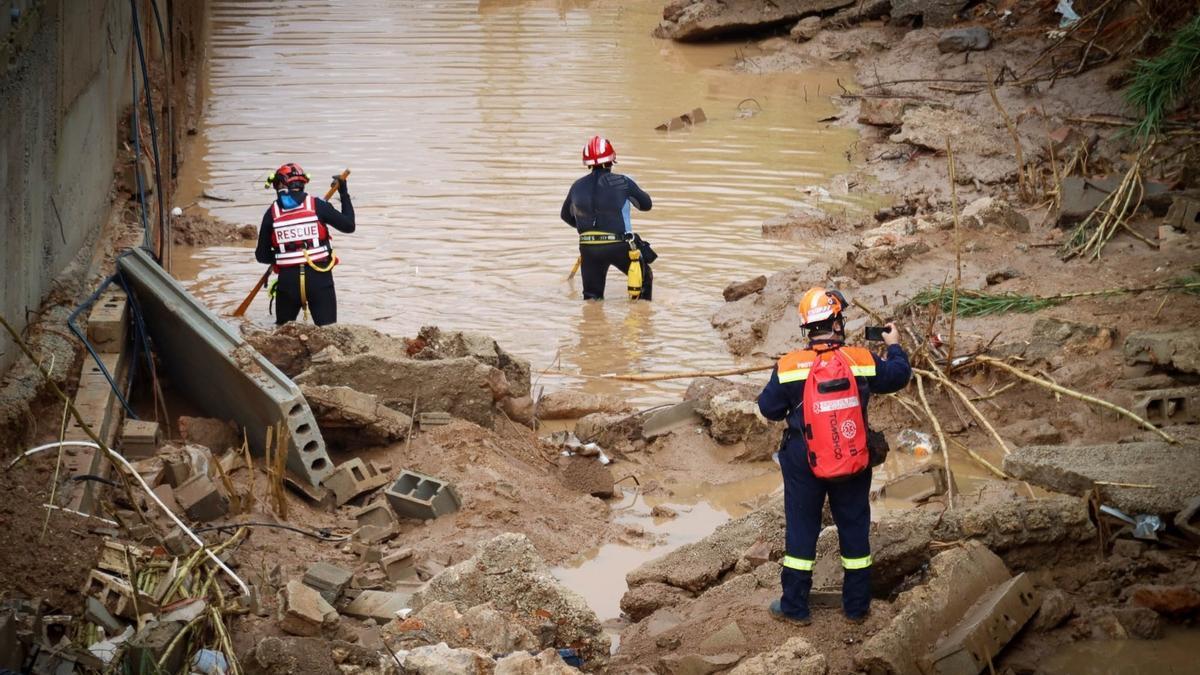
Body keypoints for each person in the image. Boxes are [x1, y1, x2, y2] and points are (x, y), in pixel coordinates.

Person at [757, 287, 911, 625]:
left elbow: (769, 408)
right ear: (837, 323)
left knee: (801, 530)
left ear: (806, 329)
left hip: (803, 459)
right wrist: (894, 345)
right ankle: (856, 607)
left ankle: (795, 608)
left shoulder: (789, 365)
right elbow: (899, 376)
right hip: (853, 455)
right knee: (854, 527)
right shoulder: (860, 359)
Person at [254, 163, 355, 326]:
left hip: (288, 283)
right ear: (302, 184)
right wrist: (344, 193)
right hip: (320, 279)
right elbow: (349, 226)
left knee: (283, 333)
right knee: (329, 332)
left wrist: (282, 256)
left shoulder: (272, 212)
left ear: (280, 185)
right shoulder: (318, 206)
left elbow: (261, 256)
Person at [560, 136, 653, 300]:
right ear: (612, 159)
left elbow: (565, 216)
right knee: (645, 278)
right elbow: (646, 205)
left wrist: (589, 230)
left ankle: (593, 323)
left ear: (587, 162)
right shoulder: (623, 181)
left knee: (591, 298)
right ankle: (642, 319)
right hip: (619, 246)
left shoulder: (577, 186)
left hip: (588, 248)